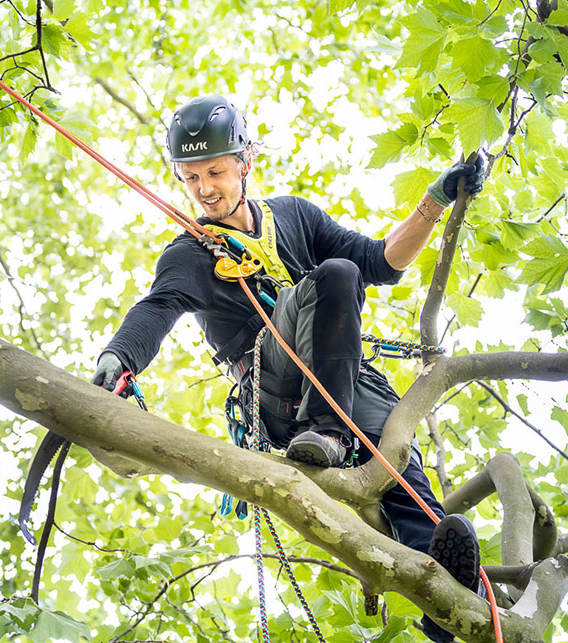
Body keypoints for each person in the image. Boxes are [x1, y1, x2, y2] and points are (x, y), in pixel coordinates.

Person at [91, 95, 485, 642]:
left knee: (406, 478)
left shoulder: (294, 216)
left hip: (347, 384)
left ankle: (445, 601)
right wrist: (119, 358)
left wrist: (434, 201)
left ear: (245, 162)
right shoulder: (191, 254)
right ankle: (325, 430)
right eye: (190, 177)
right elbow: (158, 307)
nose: (204, 189)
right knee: (335, 275)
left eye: (215, 171)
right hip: (276, 389)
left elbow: (382, 262)